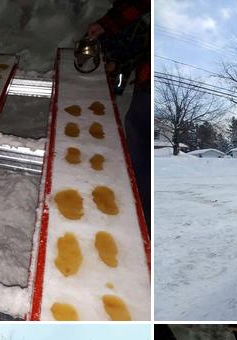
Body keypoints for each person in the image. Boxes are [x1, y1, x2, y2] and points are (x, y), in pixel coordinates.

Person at [87, 0, 151, 232]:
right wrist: (106, 28)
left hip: (132, 66)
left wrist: (119, 65)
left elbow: (135, 48)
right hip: (124, 53)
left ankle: (141, 218)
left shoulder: (141, 27)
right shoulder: (123, 16)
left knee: (120, 77)